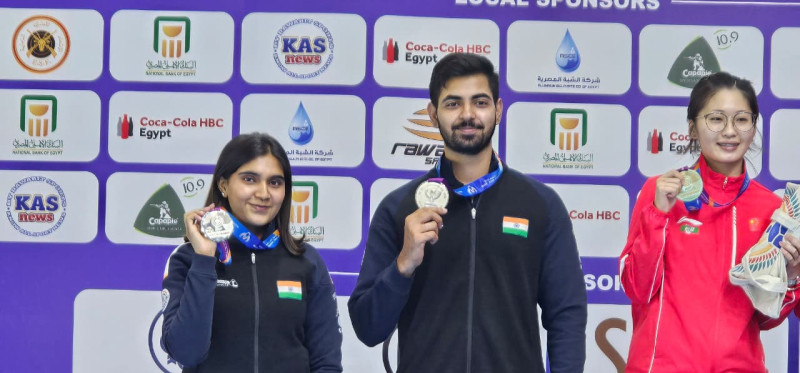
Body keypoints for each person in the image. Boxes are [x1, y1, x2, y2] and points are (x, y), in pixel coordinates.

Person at [348, 53, 587, 373]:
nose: (468, 114)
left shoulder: (540, 205)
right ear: (432, 113)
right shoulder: (399, 208)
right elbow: (367, 328)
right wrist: (403, 265)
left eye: (480, 102)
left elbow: (567, 315)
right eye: (453, 103)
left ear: (498, 110)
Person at [619, 71, 800, 372]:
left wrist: (790, 277)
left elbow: (765, 319)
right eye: (716, 119)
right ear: (692, 128)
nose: (729, 131)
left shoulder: (770, 208)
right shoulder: (660, 192)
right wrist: (658, 214)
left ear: (754, 127)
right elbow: (637, 289)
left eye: (741, 120)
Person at [160, 132, 342, 372]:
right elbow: (186, 352)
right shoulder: (189, 258)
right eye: (249, 179)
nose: (264, 193)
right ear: (223, 185)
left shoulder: (307, 261)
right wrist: (204, 259)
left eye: (275, 182)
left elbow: (327, 363)